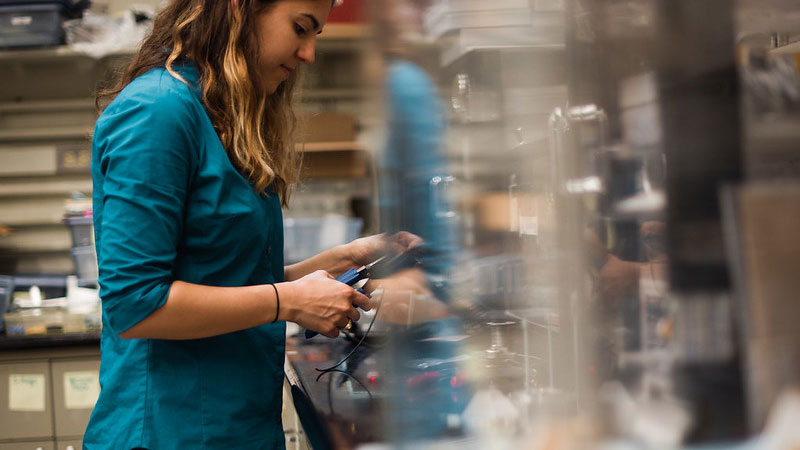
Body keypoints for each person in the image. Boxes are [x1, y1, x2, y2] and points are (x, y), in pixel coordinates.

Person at [82, 1, 418, 448]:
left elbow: (225, 283)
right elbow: (136, 303)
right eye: (301, 28)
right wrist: (289, 301)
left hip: (236, 427)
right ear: (239, 9)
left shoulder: (218, 117)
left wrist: (339, 261)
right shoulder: (157, 112)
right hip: (169, 431)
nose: (308, 53)